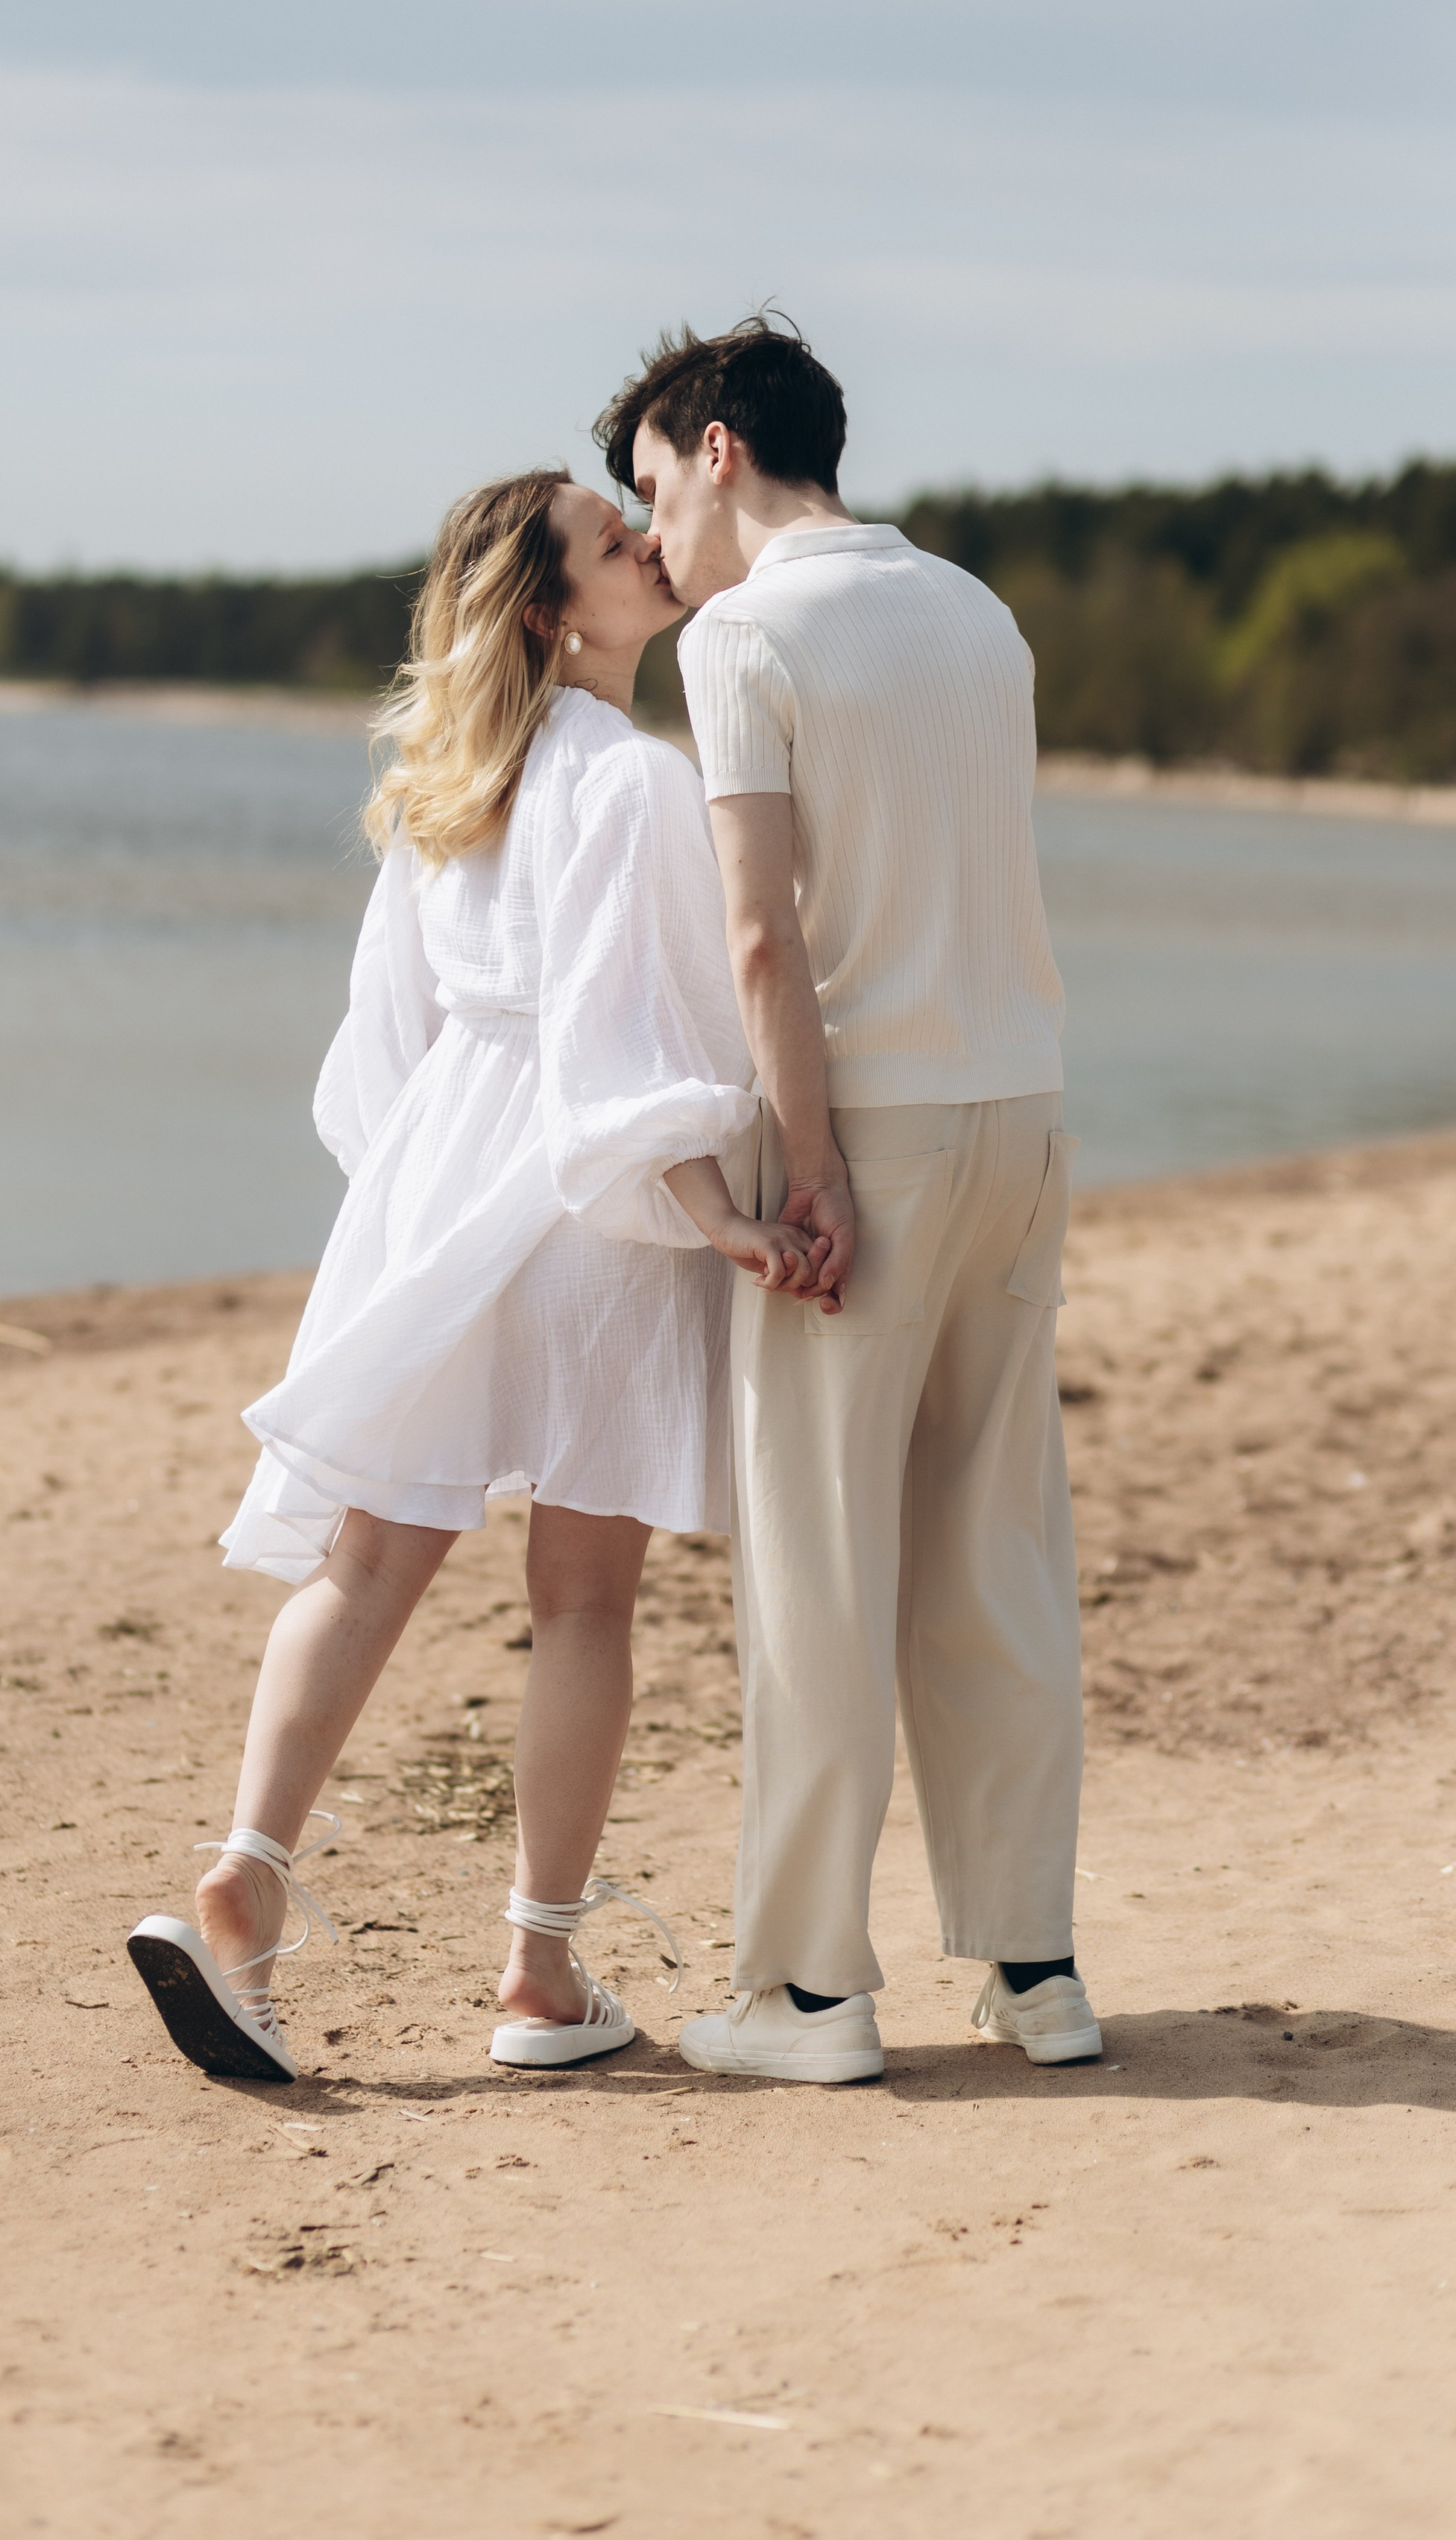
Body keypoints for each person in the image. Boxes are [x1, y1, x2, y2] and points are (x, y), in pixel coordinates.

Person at [126, 467, 819, 2084]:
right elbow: (629, 1037)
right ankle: (538, 1974)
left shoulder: (457, 785)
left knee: (367, 1561)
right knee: (580, 1597)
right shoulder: (634, 780)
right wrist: (715, 1212)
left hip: (442, 1182)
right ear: (552, 611)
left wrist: (415, 1206)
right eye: (610, 541)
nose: (646, 543)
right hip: (593, 1209)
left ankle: (246, 1870)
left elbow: (385, 1040)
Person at [593, 315, 1102, 2082]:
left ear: (716, 448)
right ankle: (1035, 1973)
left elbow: (761, 936)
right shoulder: (975, 610)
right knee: (994, 1548)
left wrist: (806, 1169)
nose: (648, 534)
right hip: (1018, 1115)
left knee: (816, 1571)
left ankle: (808, 1995)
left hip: (869, 1129)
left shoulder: (740, 634)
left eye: (650, 485)